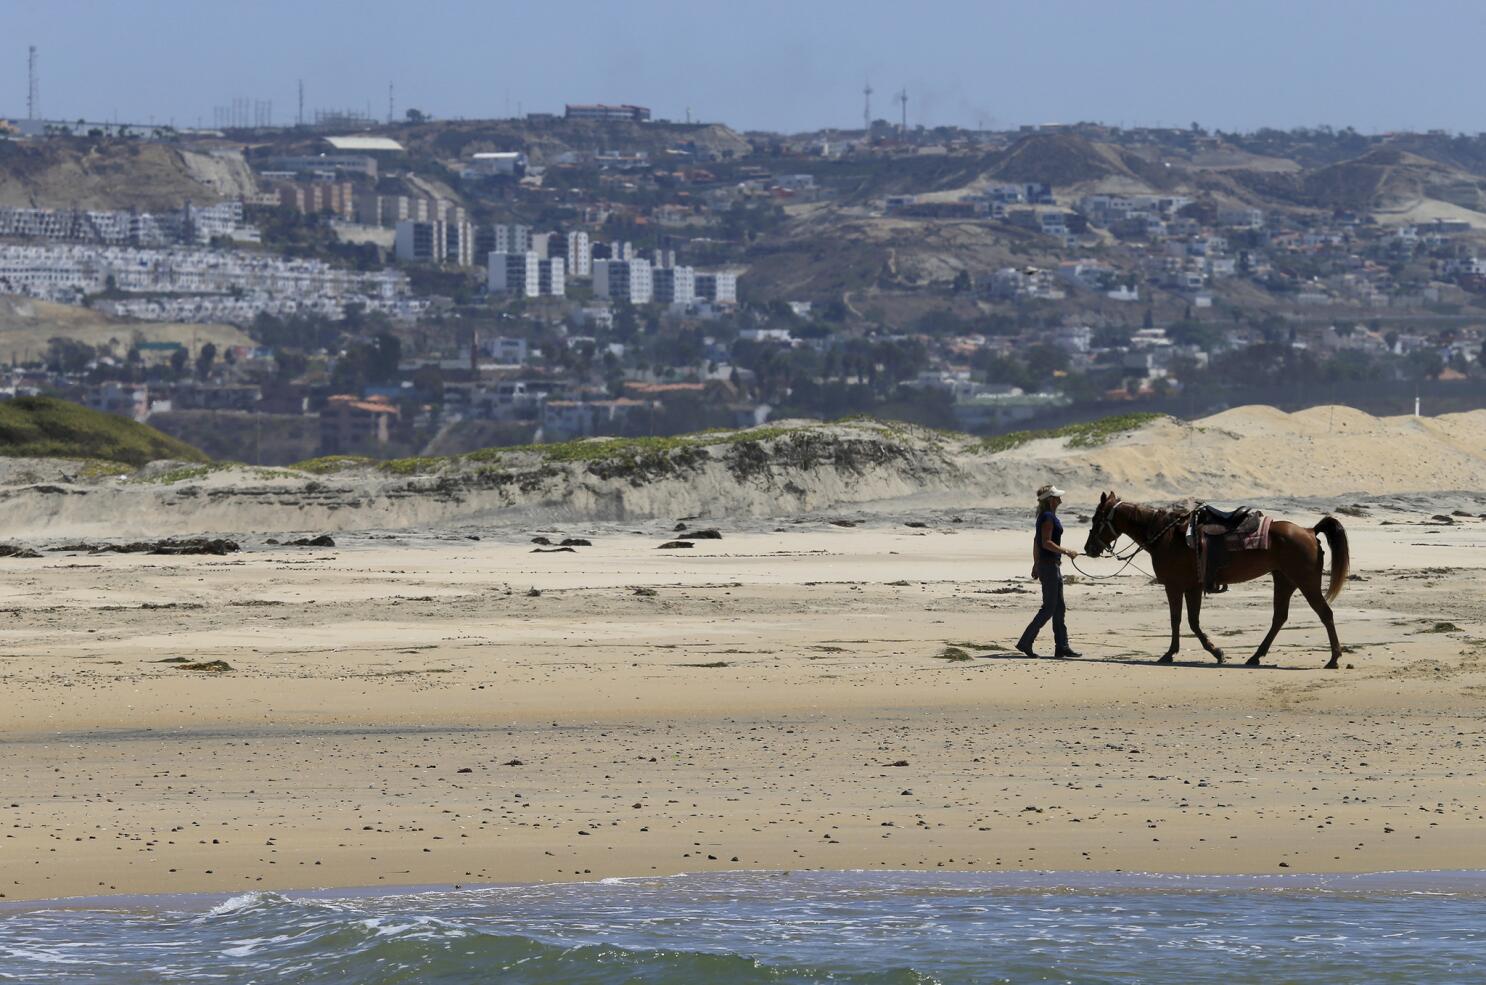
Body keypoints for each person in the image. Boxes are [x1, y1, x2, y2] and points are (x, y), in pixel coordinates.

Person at [1015, 483, 1083, 659]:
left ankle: (1062, 646)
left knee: (1059, 608)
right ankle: (1025, 642)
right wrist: (1066, 551)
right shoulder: (1047, 517)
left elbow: (1036, 541)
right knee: (1049, 608)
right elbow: (1045, 542)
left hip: (1050, 565)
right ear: (1051, 500)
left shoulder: (1048, 516)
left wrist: (1035, 563)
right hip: (1049, 566)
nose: (1060, 498)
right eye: (1057, 496)